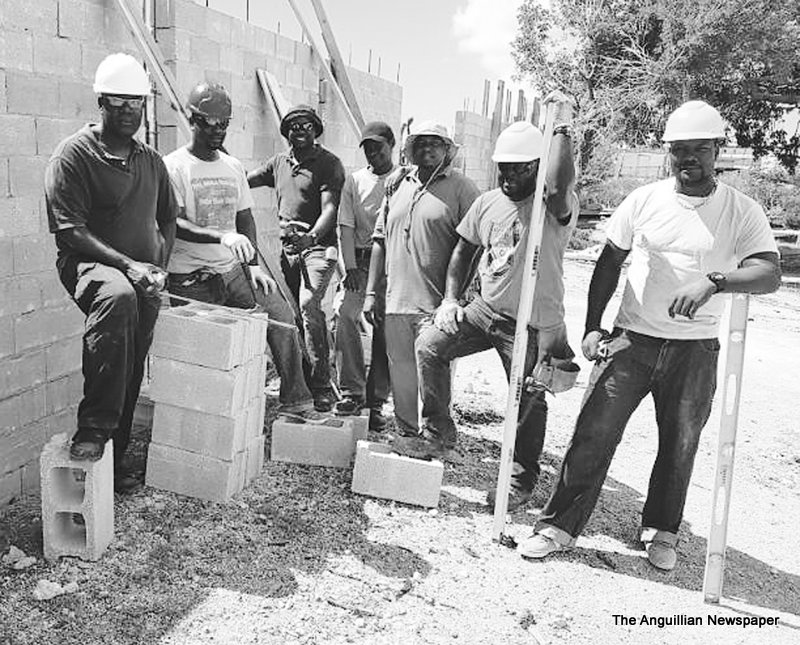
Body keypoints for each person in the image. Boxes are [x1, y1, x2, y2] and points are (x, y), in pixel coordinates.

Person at [519, 100, 781, 570]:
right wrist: (593, 326)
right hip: (629, 341)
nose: (689, 158)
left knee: (680, 443)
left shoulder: (741, 211)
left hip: (695, 349)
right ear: (668, 152)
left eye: (700, 148)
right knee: (593, 434)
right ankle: (557, 526)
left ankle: (662, 531)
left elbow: (768, 273)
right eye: (680, 149)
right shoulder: (644, 200)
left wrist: (714, 280)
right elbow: (609, 262)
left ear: (718, 149)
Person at [413, 94, 579, 506]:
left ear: (537, 167)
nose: (508, 176)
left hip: (532, 321)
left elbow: (559, 184)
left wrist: (560, 127)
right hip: (485, 311)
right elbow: (463, 251)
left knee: (526, 397)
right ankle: (438, 434)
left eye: (519, 169)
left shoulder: (552, 206)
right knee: (430, 347)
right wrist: (451, 300)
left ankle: (521, 480)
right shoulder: (488, 202)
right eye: (503, 168)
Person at [44, 53, 177, 492]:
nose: (128, 111)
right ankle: (94, 427)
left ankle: (114, 465)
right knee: (116, 297)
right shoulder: (74, 155)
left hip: (143, 277)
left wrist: (159, 265)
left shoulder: (152, 161)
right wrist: (129, 265)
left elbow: (168, 217)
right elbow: (70, 230)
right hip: (90, 268)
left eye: (136, 102)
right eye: (118, 102)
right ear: (100, 101)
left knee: (131, 361)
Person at [163, 83, 320, 419]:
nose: (218, 131)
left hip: (234, 271)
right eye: (210, 123)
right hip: (191, 280)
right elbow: (173, 223)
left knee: (282, 318)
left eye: (224, 124)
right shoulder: (173, 167)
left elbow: (245, 218)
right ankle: (207, 421)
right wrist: (221, 238)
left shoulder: (232, 166)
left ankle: (296, 400)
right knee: (208, 353)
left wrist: (253, 267)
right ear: (192, 119)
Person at [364, 122, 480, 437]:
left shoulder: (462, 188)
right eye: (421, 143)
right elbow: (380, 240)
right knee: (401, 372)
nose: (428, 148)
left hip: (435, 304)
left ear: (447, 150)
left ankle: (436, 437)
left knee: (433, 373)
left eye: (436, 143)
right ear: (412, 149)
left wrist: (454, 298)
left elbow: (475, 245)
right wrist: (372, 294)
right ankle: (406, 432)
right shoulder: (397, 185)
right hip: (396, 300)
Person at [247, 105, 346, 412]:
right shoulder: (279, 163)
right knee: (292, 314)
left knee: (308, 305)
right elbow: (244, 180)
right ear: (286, 133)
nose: (300, 130)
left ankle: (321, 386)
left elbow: (330, 209)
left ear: (315, 130)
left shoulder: (329, 164)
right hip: (288, 251)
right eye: (293, 126)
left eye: (306, 126)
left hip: (317, 249)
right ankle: (302, 381)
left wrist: (312, 237)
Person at [333, 122, 394, 430]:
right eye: (368, 148)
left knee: (384, 328)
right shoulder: (354, 181)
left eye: (378, 147)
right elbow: (344, 226)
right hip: (359, 260)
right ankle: (351, 391)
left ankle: (376, 402)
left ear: (391, 145)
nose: (373, 153)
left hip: (390, 267)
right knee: (344, 316)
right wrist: (350, 269)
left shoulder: (402, 180)